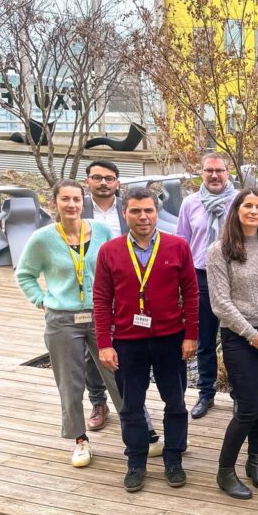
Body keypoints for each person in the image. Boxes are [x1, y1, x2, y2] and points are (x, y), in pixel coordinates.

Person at [16, 180, 128, 467]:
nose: (72, 205)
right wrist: (42, 299)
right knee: (70, 383)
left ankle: (138, 430)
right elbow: (25, 274)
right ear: (55, 202)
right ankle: (80, 440)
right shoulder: (42, 238)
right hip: (63, 320)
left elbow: (116, 266)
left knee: (119, 374)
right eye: (65, 199)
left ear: (83, 201)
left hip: (101, 315)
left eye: (76, 199)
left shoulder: (101, 231)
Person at [94, 188, 199, 493]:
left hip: (170, 338)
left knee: (176, 402)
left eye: (148, 211)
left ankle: (173, 457)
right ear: (124, 213)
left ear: (156, 212)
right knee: (131, 405)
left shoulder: (177, 246)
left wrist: (191, 334)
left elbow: (191, 293)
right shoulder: (110, 251)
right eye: (136, 211)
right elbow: (101, 299)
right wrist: (104, 342)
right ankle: (136, 460)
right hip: (128, 341)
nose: (143, 217)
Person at [208, 189, 258, 500]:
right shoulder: (221, 250)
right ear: (237, 210)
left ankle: (255, 460)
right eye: (248, 206)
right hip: (239, 337)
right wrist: (251, 334)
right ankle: (225, 470)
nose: (254, 211)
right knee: (249, 406)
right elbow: (220, 302)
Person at [177, 153, 236, 420]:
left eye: (219, 171)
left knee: (235, 339)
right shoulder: (190, 204)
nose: (214, 175)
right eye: (209, 170)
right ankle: (206, 394)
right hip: (201, 277)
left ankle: (237, 393)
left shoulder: (240, 202)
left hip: (235, 278)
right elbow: (182, 243)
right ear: (201, 172)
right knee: (205, 341)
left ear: (228, 172)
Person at [81, 160, 126, 431]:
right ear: (88, 181)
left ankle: (129, 401)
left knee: (123, 343)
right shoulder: (77, 209)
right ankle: (98, 402)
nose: (103, 183)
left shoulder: (127, 209)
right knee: (92, 349)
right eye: (97, 178)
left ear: (117, 183)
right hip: (90, 289)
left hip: (125, 287)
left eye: (109, 178)